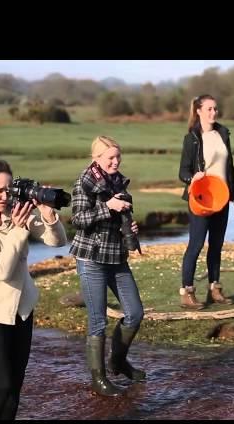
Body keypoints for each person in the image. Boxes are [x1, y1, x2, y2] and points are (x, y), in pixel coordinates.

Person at [0, 153, 67, 419]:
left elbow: (57, 242)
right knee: (0, 389)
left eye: (9, 189)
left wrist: (48, 215)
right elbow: (1, 271)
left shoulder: (13, 213)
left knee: (14, 391)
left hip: (21, 311)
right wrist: (18, 230)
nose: (6, 196)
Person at [70, 135, 145, 397]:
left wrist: (131, 228)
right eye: (110, 157)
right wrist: (108, 207)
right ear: (96, 159)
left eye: (117, 156)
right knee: (97, 320)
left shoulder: (118, 181)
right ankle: (98, 378)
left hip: (116, 256)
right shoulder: (84, 182)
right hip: (91, 258)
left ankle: (118, 361)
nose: (115, 161)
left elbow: (122, 215)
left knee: (135, 313)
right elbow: (78, 219)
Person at [178, 94, 234, 309]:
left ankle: (214, 289)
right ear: (198, 111)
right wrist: (192, 178)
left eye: (215, 108)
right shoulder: (192, 138)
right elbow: (183, 171)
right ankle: (186, 292)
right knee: (195, 245)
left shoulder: (223, 133)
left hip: (222, 198)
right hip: (200, 199)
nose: (213, 113)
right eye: (209, 109)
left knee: (216, 246)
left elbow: (229, 168)